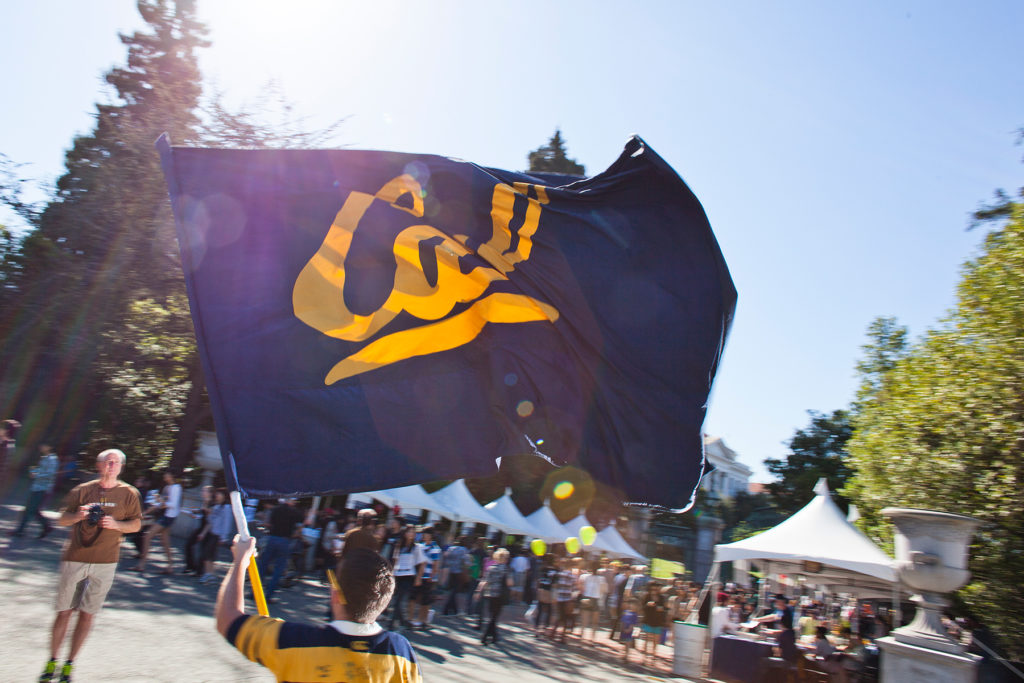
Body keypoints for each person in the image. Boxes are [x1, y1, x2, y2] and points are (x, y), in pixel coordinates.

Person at [217, 539, 422, 682]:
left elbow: (228, 619)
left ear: (335, 595)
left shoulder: (293, 641)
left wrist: (239, 562)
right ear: (384, 603)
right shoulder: (401, 652)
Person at [40, 448, 141, 683]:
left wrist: (116, 524)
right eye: (107, 462)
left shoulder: (129, 494)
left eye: (115, 463)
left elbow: (136, 524)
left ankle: (69, 664)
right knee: (64, 612)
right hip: (75, 557)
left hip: (106, 562)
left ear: (121, 467)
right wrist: (78, 516)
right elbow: (61, 519)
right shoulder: (83, 490)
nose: (111, 466)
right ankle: (52, 661)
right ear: (98, 465)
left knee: (87, 614)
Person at [133, 470, 182, 573]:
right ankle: (170, 567)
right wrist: (146, 512)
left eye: (167, 474)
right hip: (164, 515)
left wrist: (160, 501)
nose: (165, 476)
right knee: (165, 542)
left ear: (172, 476)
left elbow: (173, 504)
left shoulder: (176, 488)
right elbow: (160, 504)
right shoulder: (167, 487)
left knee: (147, 537)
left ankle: (141, 565)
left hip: (168, 517)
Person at [257, 498, 305, 602]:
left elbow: (269, 523)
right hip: (285, 540)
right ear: (292, 502)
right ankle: (269, 595)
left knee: (263, 565)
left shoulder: (276, 510)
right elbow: (301, 524)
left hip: (272, 538)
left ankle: (255, 592)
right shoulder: (295, 512)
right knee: (278, 569)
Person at [11, 442, 59, 538]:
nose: (41, 447)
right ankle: (46, 526)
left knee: (29, 510)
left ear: (50, 446)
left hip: (43, 488)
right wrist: (33, 471)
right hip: (36, 487)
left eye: (43, 445)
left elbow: (50, 474)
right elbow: (41, 470)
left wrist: (36, 474)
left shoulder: (53, 459)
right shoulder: (44, 458)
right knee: (33, 510)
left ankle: (20, 531)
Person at [387, 525, 424, 630]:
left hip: (409, 575)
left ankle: (392, 623)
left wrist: (418, 578)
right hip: (398, 574)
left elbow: (422, 563)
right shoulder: (399, 546)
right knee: (395, 599)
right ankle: (403, 621)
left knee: (399, 599)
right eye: (409, 532)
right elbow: (394, 560)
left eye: (413, 532)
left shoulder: (416, 548)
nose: (411, 534)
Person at [475, 547, 513, 646]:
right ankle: (484, 636)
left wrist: (478, 591)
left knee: (492, 614)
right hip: (500, 594)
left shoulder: (491, 568)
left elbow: (484, 580)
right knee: (494, 616)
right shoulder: (506, 569)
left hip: (490, 593)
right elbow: (510, 583)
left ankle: (494, 637)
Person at [411, 527, 441, 629]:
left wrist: (432, 576)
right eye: (424, 534)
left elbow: (436, 564)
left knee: (425, 599)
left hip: (428, 576)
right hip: (420, 574)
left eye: (426, 534)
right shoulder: (421, 546)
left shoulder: (435, 548)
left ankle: (422, 619)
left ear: (431, 536)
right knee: (418, 597)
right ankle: (422, 617)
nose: (424, 536)